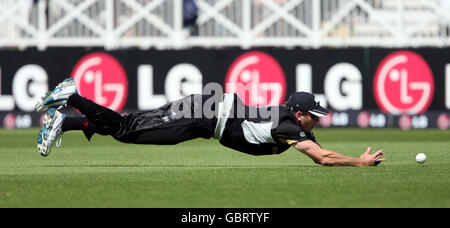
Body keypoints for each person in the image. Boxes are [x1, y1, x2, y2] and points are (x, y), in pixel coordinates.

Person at [36, 78, 385, 166]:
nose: (315, 122)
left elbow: (322, 152)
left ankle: (62, 122)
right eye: (313, 116)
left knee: (131, 131)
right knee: (127, 129)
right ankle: (72, 97)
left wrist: (355, 158)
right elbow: (322, 158)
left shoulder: (289, 125)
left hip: (205, 118)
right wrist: (360, 161)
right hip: (204, 114)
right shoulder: (290, 127)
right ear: (299, 114)